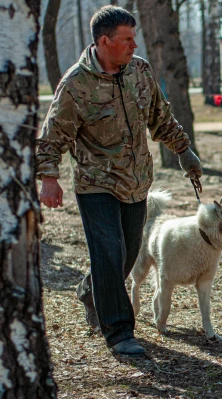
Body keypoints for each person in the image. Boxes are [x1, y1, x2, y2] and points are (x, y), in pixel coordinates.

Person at [36, 5, 203, 357]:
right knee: (109, 254)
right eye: (127, 39)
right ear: (105, 41)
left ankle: (89, 289)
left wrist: (184, 150)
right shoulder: (75, 84)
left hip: (136, 181)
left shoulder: (139, 70)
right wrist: (49, 177)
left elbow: (160, 116)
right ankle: (119, 332)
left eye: (134, 37)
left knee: (125, 257)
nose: (134, 44)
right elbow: (52, 136)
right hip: (96, 183)